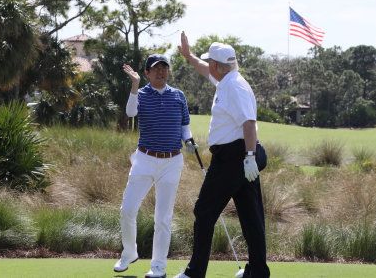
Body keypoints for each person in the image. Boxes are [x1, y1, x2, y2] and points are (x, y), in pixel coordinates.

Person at [174, 31, 270, 278]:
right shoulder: (227, 80)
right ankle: (257, 272)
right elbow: (205, 70)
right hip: (239, 157)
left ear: (218, 65)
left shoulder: (234, 87)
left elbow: (248, 123)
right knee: (251, 216)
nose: (209, 66)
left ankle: (195, 273)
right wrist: (189, 56)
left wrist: (249, 157)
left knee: (204, 211)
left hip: (233, 158)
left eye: (211, 63)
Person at [114, 54, 197, 278]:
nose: (161, 72)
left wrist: (189, 140)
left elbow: (185, 126)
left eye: (164, 68)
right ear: (147, 73)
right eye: (156, 68)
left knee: (163, 218)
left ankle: (158, 267)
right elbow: (131, 113)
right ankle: (129, 252)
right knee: (128, 210)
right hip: (145, 159)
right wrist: (133, 85)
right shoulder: (140, 94)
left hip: (172, 161)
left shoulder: (178, 96)